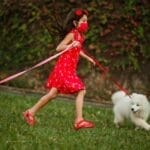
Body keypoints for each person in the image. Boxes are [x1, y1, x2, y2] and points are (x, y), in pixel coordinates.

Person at [23, 8, 95, 130]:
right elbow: (59, 47)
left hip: (70, 69)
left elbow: (78, 49)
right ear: (75, 23)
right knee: (81, 90)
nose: (85, 23)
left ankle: (30, 112)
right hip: (64, 68)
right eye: (83, 21)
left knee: (52, 94)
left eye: (86, 21)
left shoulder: (80, 36)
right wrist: (70, 44)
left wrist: (88, 58)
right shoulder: (72, 34)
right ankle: (79, 120)